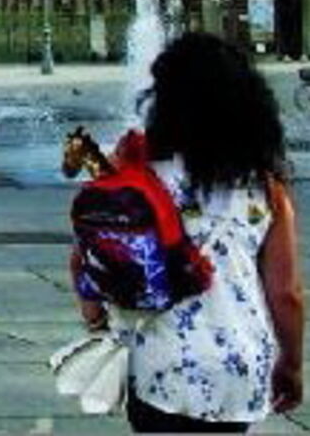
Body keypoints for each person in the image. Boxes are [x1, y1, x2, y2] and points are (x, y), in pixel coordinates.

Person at [72, 33, 303, 432]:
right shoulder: (266, 190)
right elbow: (286, 294)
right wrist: (293, 364)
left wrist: (97, 325)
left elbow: (86, 262)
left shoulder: (139, 181)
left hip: (161, 365)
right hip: (241, 367)